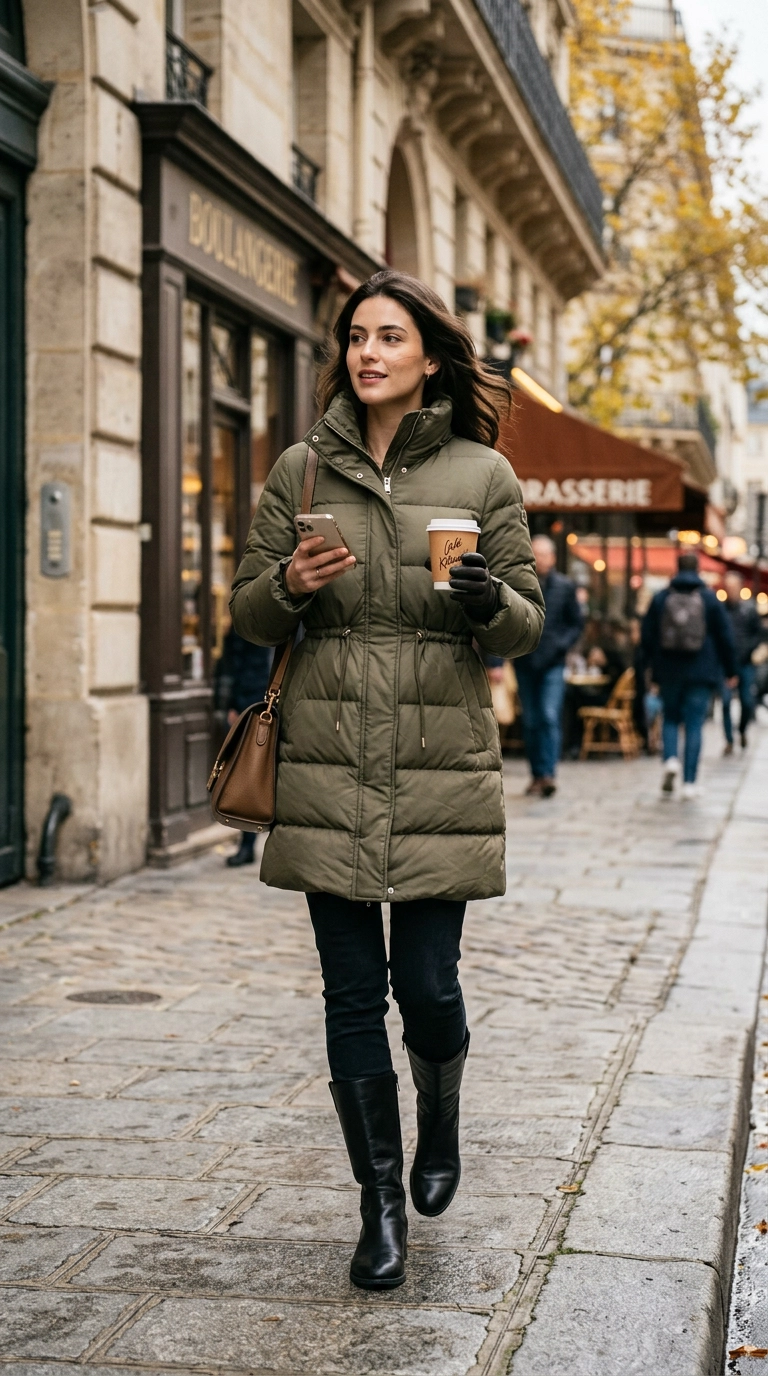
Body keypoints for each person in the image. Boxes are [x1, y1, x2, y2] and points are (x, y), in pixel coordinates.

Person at [229, 270, 544, 1291]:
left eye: (390, 337)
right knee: (352, 994)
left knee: (430, 984)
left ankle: (441, 1110)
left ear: (429, 356)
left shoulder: (483, 473)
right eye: (357, 336)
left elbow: (526, 624)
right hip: (326, 757)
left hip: (439, 759)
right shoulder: (300, 470)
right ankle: (379, 1201)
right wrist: (288, 584)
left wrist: (490, 598)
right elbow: (245, 611)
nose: (368, 352)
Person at [641, 551, 736, 799]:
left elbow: (647, 636)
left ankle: (671, 758)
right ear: (698, 569)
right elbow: (725, 637)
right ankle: (690, 782)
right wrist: (730, 670)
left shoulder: (662, 597)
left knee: (670, 718)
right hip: (701, 672)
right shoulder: (709, 598)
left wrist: (649, 666)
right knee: (694, 725)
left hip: (669, 670)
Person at [514, 535, 583, 796]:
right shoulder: (520, 583)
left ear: (553, 558)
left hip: (553, 663)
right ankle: (536, 774)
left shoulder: (565, 587)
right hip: (525, 660)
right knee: (531, 720)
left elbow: (576, 624)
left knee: (549, 716)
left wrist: (561, 645)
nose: (540, 559)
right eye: (536, 554)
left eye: (544, 554)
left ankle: (549, 773)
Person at [216, 627, 273, 866]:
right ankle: (248, 844)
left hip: (257, 707)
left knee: (250, 776)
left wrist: (235, 705)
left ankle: (249, 846)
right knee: (252, 777)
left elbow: (239, 667)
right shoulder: (250, 622)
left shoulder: (251, 625)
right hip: (259, 705)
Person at [720, 573, 764, 753]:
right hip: (725, 664)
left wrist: (749, 649)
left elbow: (759, 633)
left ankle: (742, 730)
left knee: (747, 701)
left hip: (745, 663)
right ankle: (729, 740)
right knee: (725, 701)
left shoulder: (749, 610)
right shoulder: (721, 610)